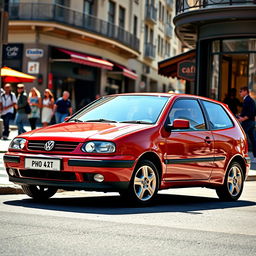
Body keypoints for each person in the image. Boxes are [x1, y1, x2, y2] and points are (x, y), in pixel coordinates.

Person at [237, 86, 256, 158]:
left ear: (245, 91)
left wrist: (243, 118)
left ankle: (243, 154)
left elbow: (252, 112)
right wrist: (240, 115)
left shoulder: (248, 100)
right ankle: (255, 157)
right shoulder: (248, 100)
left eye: (241, 91)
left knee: (241, 137)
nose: (240, 93)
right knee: (253, 139)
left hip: (248, 122)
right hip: (251, 122)